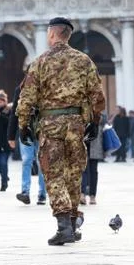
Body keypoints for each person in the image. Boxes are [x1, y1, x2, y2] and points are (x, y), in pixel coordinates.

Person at [17, 17, 106, 246]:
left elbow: (27, 97)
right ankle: (74, 223)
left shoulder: (40, 62)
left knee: (54, 175)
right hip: (76, 125)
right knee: (74, 175)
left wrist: (23, 125)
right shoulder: (83, 60)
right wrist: (95, 122)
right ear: (68, 35)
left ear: (52, 33)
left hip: (50, 125)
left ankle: (64, 226)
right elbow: (97, 95)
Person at [8, 70, 47, 205]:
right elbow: (14, 113)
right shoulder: (20, 89)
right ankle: (25, 192)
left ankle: (42, 194)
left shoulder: (46, 89)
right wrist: (11, 136)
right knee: (26, 160)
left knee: (42, 162)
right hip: (25, 131)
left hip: (43, 131)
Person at [80, 112, 106, 205]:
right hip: (83, 146)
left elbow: (102, 122)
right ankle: (82, 194)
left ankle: (92, 196)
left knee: (93, 172)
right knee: (83, 170)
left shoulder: (99, 115)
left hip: (95, 146)